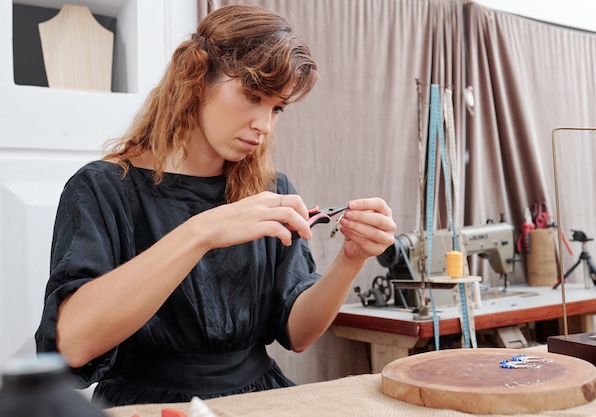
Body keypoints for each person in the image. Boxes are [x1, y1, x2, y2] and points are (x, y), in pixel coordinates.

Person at [35, 4, 396, 407]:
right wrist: (202, 232)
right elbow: (71, 347)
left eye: (277, 107)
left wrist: (350, 261)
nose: (265, 124)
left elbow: (298, 334)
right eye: (252, 95)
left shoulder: (269, 191)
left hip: (258, 401)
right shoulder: (103, 189)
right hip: (146, 404)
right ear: (197, 79)